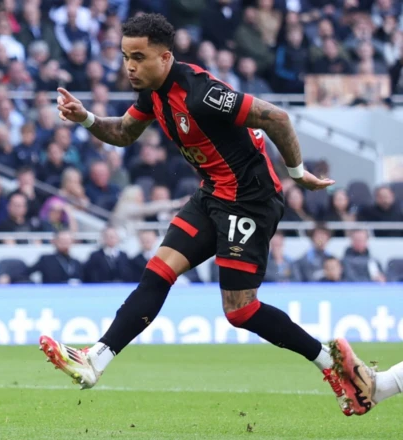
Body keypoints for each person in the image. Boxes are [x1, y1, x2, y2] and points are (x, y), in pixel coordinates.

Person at [38, 13, 403, 417]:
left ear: (165, 58)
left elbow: (276, 118)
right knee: (158, 271)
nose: (130, 66)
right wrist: (85, 117)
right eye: (126, 56)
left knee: (241, 310)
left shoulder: (200, 92)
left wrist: (298, 173)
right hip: (214, 193)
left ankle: (330, 365)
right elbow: (124, 133)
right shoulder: (152, 92)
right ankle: (96, 359)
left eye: (138, 57)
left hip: (250, 199)